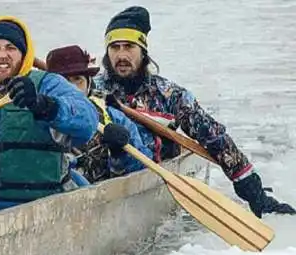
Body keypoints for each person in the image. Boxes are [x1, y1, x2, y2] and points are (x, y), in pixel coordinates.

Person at [94, 6, 294, 217]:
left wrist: (251, 188)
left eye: (129, 47)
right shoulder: (92, 90)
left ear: (143, 52)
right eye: (115, 47)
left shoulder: (168, 94)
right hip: (101, 175)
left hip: (150, 169)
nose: (122, 55)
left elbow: (214, 136)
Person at [0, 16, 100, 210]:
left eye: (11, 48)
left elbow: (88, 120)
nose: (2, 55)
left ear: (24, 55)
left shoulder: (47, 83)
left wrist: (45, 105)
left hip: (43, 204)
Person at [45, 44, 153, 183]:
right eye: (64, 82)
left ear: (89, 84)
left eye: (78, 79)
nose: (72, 89)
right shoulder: (36, 119)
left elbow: (146, 170)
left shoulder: (113, 118)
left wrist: (120, 153)